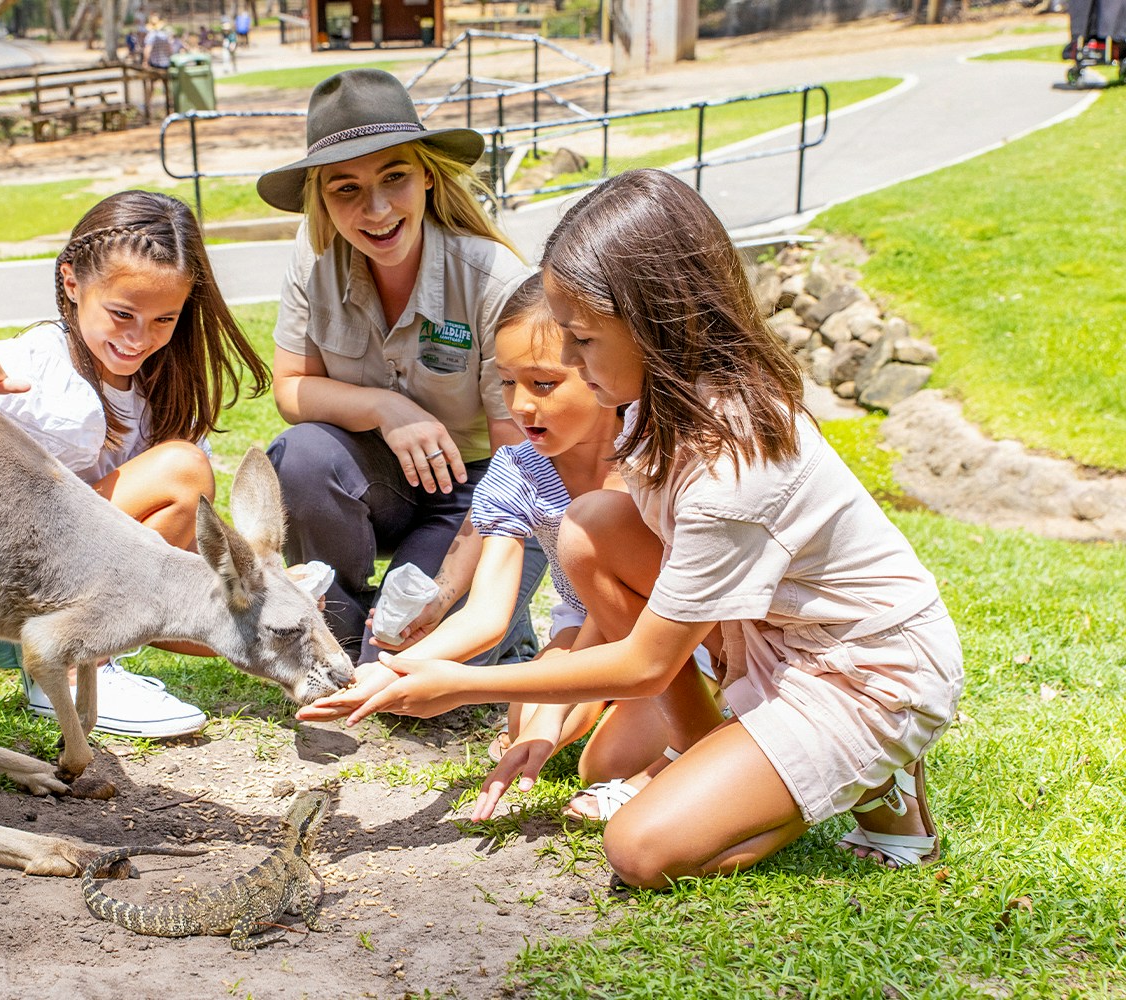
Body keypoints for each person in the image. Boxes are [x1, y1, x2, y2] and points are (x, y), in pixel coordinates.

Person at [311, 169, 965, 887]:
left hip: (860, 667)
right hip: (759, 638)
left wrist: (460, 685)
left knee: (640, 850)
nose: (570, 360)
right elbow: (599, 600)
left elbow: (649, 662)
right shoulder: (647, 408)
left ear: (657, 322)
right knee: (590, 527)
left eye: (582, 340)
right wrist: (419, 666)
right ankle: (730, 758)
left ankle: (870, 779)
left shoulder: (730, 463)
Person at [299, 274, 715, 796]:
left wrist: (555, 708)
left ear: (596, 370)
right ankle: (617, 710)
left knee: (599, 763)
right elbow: (486, 614)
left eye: (543, 384)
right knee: (527, 725)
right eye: (506, 382)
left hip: (679, 633)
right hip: (589, 626)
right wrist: (393, 670)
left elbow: (622, 613)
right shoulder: (517, 470)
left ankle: (706, 704)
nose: (519, 405)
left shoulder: (649, 457)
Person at [0, 190, 270, 739]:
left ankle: (93, 661)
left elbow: (175, 557)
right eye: (122, 314)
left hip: (57, 587)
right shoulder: (28, 364)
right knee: (181, 472)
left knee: (234, 604)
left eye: (164, 319)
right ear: (72, 283)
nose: (139, 338)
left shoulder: (161, 385)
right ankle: (69, 670)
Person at [256, 68, 547, 676]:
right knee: (301, 455)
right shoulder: (311, 265)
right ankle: (341, 620)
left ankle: (497, 627)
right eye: (346, 189)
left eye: (395, 177)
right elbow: (290, 389)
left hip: (482, 493)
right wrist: (388, 410)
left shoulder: (494, 280)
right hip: (374, 483)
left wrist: (445, 593)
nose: (378, 209)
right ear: (319, 198)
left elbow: (524, 464)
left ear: (428, 178)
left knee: (407, 673)